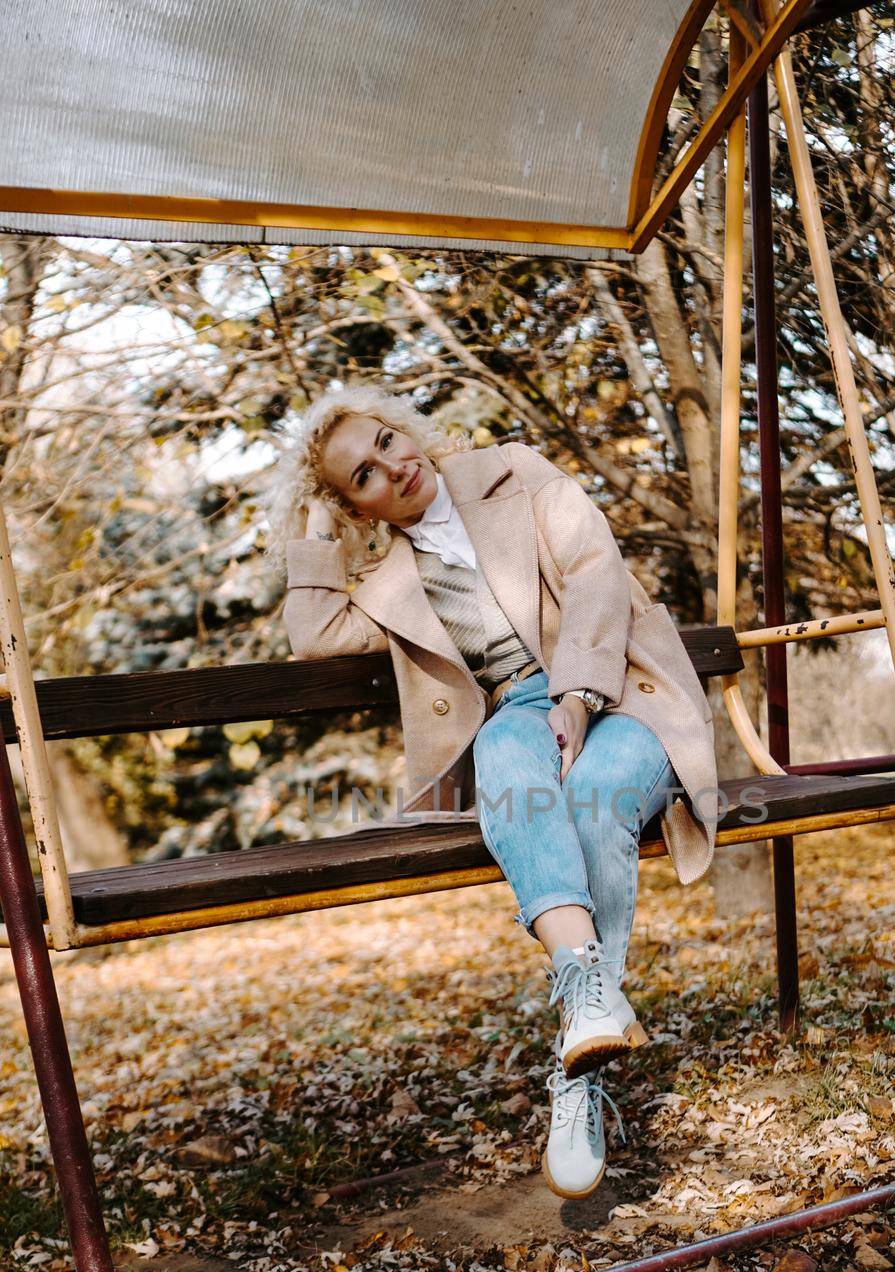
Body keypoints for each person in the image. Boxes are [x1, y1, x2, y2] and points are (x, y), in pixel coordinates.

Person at [268, 383, 718, 1200]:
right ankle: (588, 1010)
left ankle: (577, 1074)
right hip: (516, 711)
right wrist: (315, 528)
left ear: (404, 429)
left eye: (385, 443)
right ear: (355, 508)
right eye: (361, 477)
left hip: (624, 692)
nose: (391, 468)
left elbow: (594, 574)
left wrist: (579, 695)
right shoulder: (388, 576)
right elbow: (313, 636)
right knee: (510, 760)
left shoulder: (514, 471)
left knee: (592, 802)